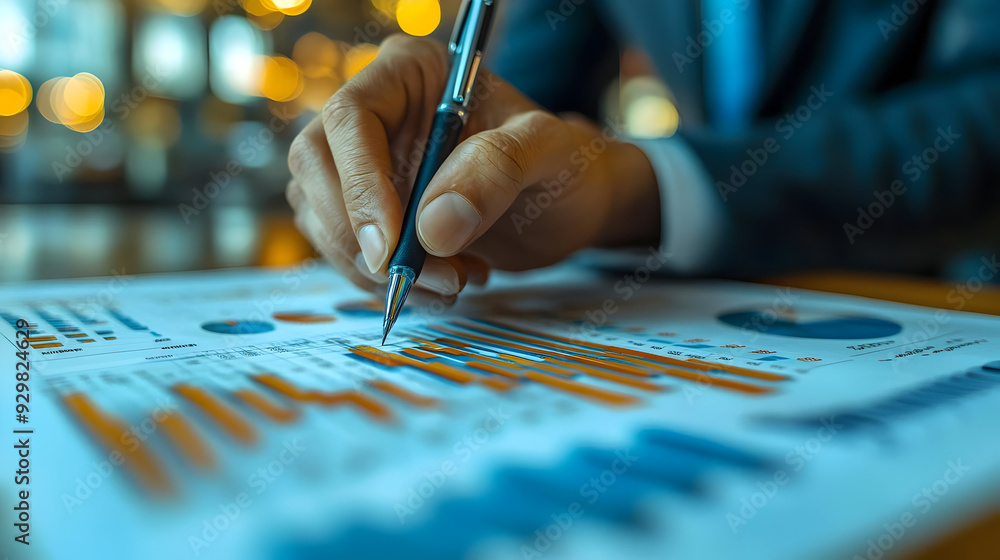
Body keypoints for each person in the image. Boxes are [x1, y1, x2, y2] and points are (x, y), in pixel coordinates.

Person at [286, 0, 1000, 300]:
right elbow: (513, 107)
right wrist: (428, 165)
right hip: (699, 317)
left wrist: (639, 189)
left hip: (941, 294)